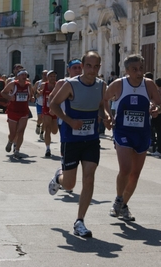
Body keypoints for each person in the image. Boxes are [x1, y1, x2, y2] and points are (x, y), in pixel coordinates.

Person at [48, 51, 107, 238]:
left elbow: (101, 105)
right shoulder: (70, 85)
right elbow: (53, 104)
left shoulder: (101, 85)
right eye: (88, 66)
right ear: (82, 66)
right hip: (71, 139)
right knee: (69, 184)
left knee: (89, 177)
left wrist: (105, 117)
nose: (92, 70)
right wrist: (69, 120)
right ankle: (59, 177)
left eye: (96, 66)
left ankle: (80, 221)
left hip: (91, 139)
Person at [103, 54, 161, 221]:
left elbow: (160, 105)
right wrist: (109, 116)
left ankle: (123, 205)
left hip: (143, 133)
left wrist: (156, 109)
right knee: (125, 169)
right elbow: (105, 100)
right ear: (127, 70)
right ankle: (118, 199)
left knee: (135, 173)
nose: (139, 72)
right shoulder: (119, 84)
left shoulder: (149, 84)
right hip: (123, 131)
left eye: (141, 69)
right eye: (135, 69)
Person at [1, 69, 35, 158]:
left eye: (25, 75)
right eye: (22, 75)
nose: (24, 76)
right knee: (13, 133)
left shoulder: (28, 85)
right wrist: (9, 97)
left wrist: (32, 98)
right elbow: (3, 93)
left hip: (24, 112)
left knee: (21, 132)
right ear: (18, 76)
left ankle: (17, 150)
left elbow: (31, 95)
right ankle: (10, 141)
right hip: (13, 111)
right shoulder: (13, 84)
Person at [38, 70, 59, 157]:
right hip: (46, 109)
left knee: (54, 131)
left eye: (54, 76)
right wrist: (38, 93)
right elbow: (38, 94)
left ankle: (48, 142)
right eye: (51, 76)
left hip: (56, 110)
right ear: (47, 77)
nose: (52, 78)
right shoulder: (44, 85)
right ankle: (47, 148)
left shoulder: (58, 85)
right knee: (47, 128)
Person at [33, 70, 48, 139]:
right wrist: (37, 94)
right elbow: (34, 91)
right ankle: (38, 125)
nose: (45, 76)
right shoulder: (38, 83)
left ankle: (42, 133)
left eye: (46, 74)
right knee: (40, 118)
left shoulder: (50, 83)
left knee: (45, 119)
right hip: (39, 103)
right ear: (42, 75)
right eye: (44, 74)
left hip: (47, 104)